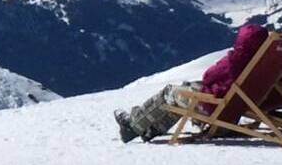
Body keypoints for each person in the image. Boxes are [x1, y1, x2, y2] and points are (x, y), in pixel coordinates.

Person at [115, 18, 272, 143]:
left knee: (169, 93)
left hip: (214, 107)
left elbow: (208, 76)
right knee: (184, 90)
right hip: (235, 108)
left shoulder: (235, 60)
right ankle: (152, 129)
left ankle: (132, 125)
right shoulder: (265, 61)